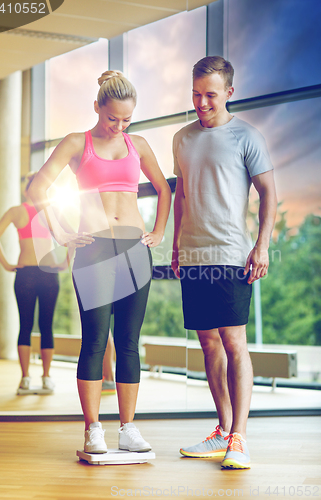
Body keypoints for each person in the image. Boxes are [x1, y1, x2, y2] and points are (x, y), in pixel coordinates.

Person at [28, 70, 171, 454]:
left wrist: (158, 231)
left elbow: (163, 187)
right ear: (96, 107)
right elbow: (37, 187)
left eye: (126, 119)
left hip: (134, 250)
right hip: (93, 250)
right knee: (94, 341)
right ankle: (93, 429)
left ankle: (128, 428)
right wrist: (59, 232)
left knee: (128, 342)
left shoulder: (137, 144)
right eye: (112, 118)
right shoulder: (77, 143)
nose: (119, 126)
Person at [172, 56, 277, 469]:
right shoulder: (181, 139)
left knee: (234, 342)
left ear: (229, 92)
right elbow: (181, 194)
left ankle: (241, 438)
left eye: (210, 95)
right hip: (194, 256)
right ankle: (222, 429)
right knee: (208, 341)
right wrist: (178, 245)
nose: (201, 102)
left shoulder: (247, 137)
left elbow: (268, 192)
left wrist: (262, 245)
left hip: (232, 256)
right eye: (196, 94)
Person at [0, 172, 60, 393]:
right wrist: (6, 265)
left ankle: (38, 377)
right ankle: (31, 377)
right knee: (37, 326)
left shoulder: (46, 211)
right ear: (29, 189)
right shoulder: (25, 211)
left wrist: (7, 265)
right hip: (37, 273)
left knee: (33, 326)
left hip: (37, 274)